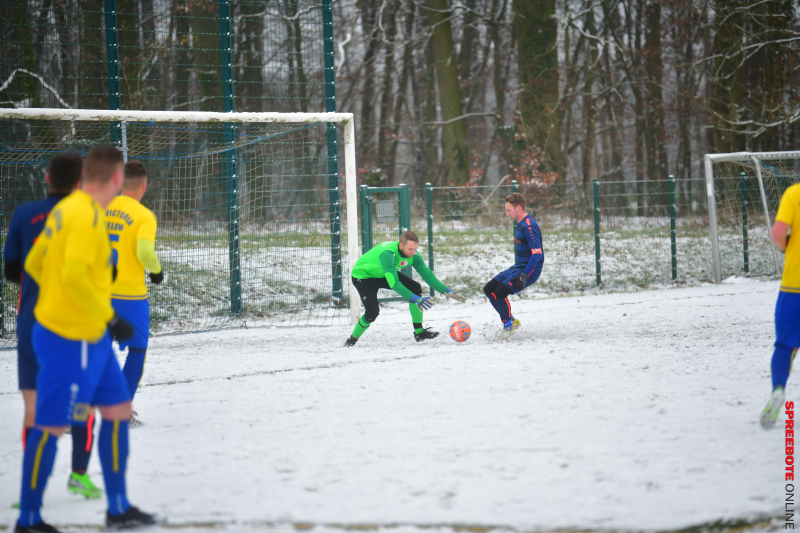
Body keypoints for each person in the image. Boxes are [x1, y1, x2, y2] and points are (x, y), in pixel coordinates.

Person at [18, 144, 156, 533]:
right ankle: (28, 520)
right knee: (51, 424)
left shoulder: (67, 208)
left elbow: (33, 263)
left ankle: (118, 508)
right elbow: (75, 276)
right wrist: (107, 318)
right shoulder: (85, 216)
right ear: (116, 178)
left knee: (115, 410)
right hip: (70, 337)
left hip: (89, 337)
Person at [3, 152, 103, 501]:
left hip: (33, 320)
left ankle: (32, 488)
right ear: (80, 182)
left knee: (34, 405)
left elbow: (12, 271)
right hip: (75, 322)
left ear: (47, 178)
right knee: (81, 403)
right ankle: (78, 475)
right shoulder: (89, 216)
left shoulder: (24, 214)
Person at [106, 161, 163, 426]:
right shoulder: (143, 216)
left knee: (94, 352)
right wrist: (156, 271)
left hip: (97, 294)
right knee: (137, 350)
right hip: (130, 297)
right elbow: (144, 253)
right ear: (143, 186)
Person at [344, 230, 465, 347]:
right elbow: (394, 284)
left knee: (415, 287)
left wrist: (447, 291)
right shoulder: (388, 254)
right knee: (372, 313)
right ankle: (352, 340)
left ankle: (419, 333)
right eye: (410, 249)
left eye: (415, 249)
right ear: (401, 245)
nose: (413, 252)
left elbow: (427, 275)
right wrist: (416, 299)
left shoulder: (413, 255)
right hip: (363, 277)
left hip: (383, 273)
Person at [760, 183, 800, 428]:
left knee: (786, 344)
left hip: (794, 284)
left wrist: (790, 250)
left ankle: (778, 390)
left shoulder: (794, 193)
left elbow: (777, 234)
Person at [483, 192, 544, 338]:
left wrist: (524, 275)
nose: (507, 214)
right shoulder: (521, 224)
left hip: (529, 270)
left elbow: (537, 254)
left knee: (500, 292)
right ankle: (511, 320)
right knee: (489, 288)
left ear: (518, 208)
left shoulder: (529, 226)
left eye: (508, 210)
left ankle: (508, 327)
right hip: (518, 267)